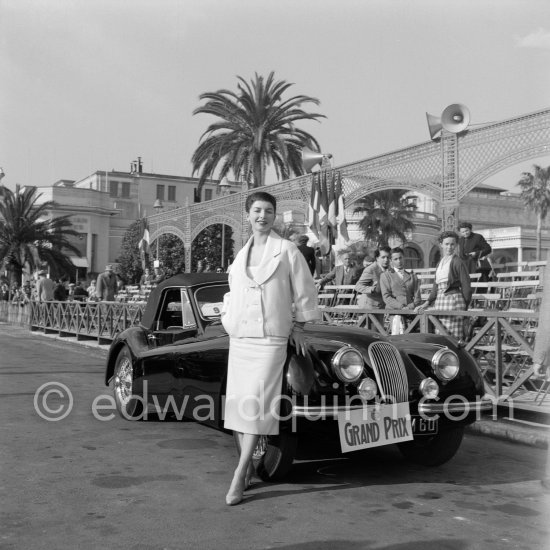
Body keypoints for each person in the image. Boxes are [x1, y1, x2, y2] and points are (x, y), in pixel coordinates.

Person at [221, 191, 320, 506]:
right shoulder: (239, 256)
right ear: (248, 215)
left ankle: (239, 473)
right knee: (240, 405)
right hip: (241, 338)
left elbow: (304, 290)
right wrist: (228, 318)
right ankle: (248, 464)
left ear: (275, 215)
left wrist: (300, 327)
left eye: (268, 211)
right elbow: (231, 291)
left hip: (270, 339)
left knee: (256, 406)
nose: (262, 216)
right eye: (256, 210)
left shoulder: (287, 250)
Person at [415, 231, 472, 340]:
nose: (449, 247)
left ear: (456, 245)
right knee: (440, 333)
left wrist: (465, 306)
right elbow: (435, 286)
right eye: (446, 244)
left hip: (453, 301)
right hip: (440, 301)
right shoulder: (440, 263)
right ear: (441, 244)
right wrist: (426, 303)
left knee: (453, 336)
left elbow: (466, 286)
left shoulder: (458, 262)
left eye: (452, 244)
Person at [380, 247, 422, 334]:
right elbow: (386, 297)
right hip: (395, 313)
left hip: (411, 313)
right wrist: (401, 307)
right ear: (391, 261)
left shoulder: (412, 276)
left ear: (404, 258)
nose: (399, 261)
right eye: (395, 259)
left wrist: (410, 307)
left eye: (400, 258)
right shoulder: (386, 276)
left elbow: (417, 297)